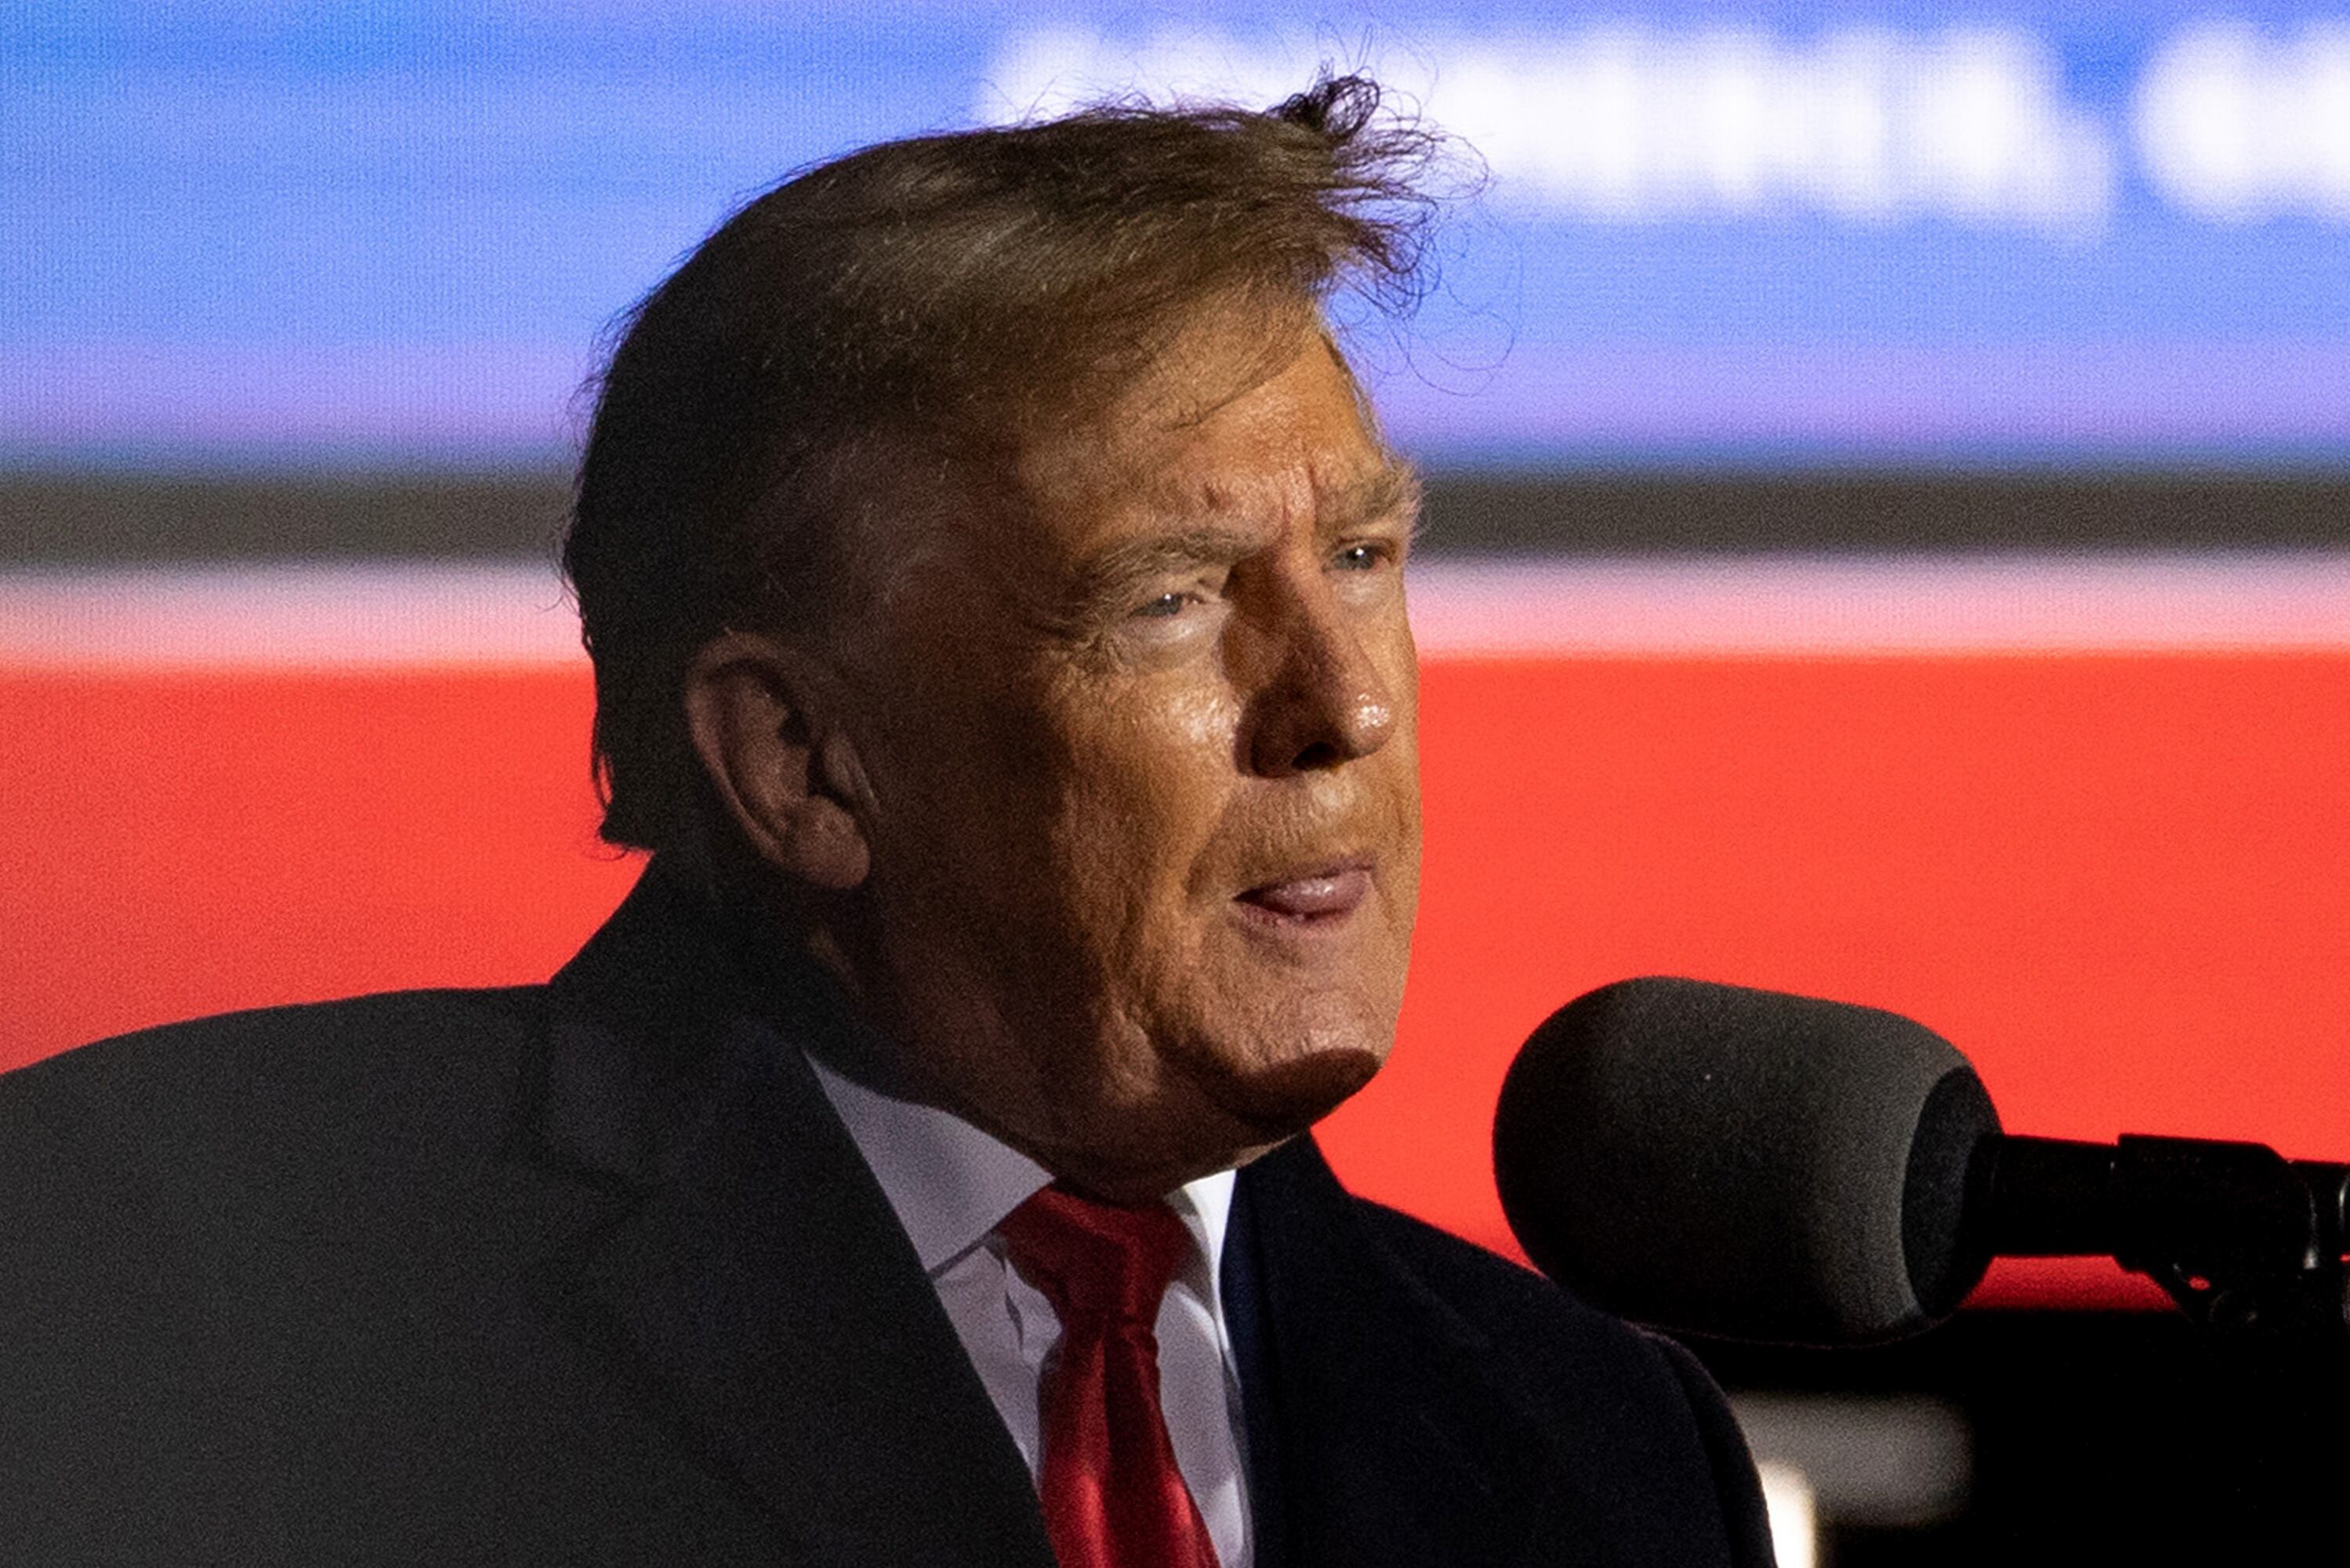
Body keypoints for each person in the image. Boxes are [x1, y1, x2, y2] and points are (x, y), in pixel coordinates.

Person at [0, 78, 1773, 1566]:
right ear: (799, 761)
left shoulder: (1603, 1450)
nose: (1348, 704)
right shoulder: (192, 1278)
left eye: (1365, 558)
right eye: (1168, 597)